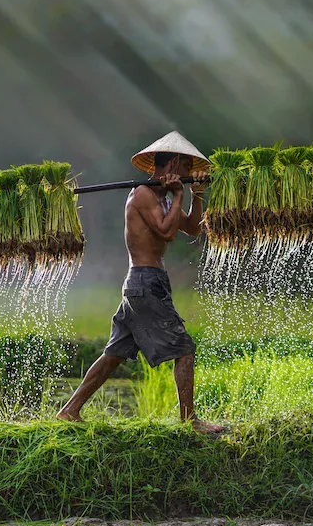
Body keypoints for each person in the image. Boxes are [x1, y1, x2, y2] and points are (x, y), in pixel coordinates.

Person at [57, 132, 226, 434]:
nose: (189, 172)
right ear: (173, 163)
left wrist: (196, 195)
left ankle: (69, 411)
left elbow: (191, 229)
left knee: (114, 354)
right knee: (185, 350)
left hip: (144, 282)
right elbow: (166, 232)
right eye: (187, 167)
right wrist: (179, 195)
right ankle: (189, 421)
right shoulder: (144, 194)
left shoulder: (162, 196)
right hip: (145, 282)